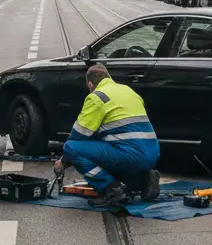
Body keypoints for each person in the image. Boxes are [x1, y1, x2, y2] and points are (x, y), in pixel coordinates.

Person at [56, 63, 160, 207]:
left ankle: (112, 190)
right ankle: (143, 180)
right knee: (110, 148)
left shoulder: (97, 97)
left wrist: (63, 161)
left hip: (131, 155)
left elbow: (79, 135)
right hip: (152, 153)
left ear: (91, 85)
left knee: (71, 148)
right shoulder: (128, 91)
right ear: (108, 78)